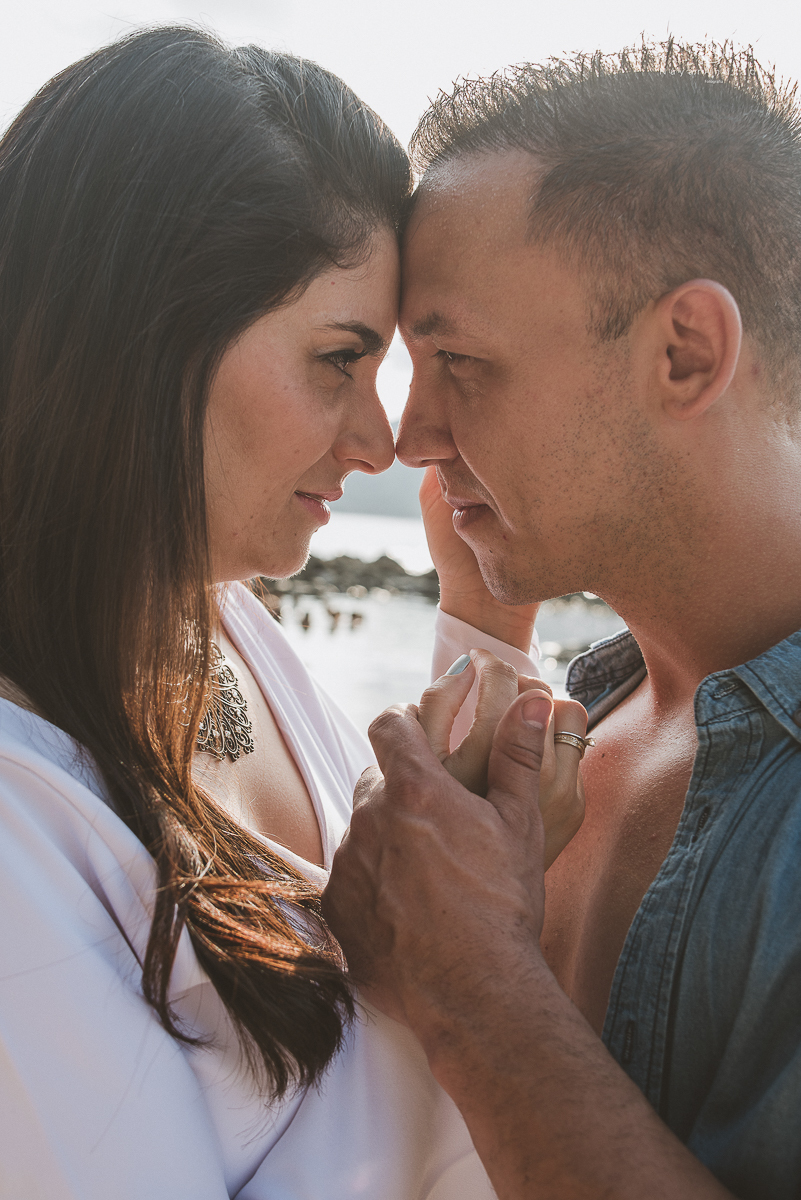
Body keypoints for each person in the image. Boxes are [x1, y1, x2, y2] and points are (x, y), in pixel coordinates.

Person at [0, 25, 590, 1199]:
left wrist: (483, 635)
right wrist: (452, 971)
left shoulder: (220, 619)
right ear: (141, 342)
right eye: (339, 359)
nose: (382, 441)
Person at [322, 41, 801, 1200]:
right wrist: (483, 619)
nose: (408, 437)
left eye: (459, 360)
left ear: (684, 353)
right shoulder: (588, 713)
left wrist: (473, 988)